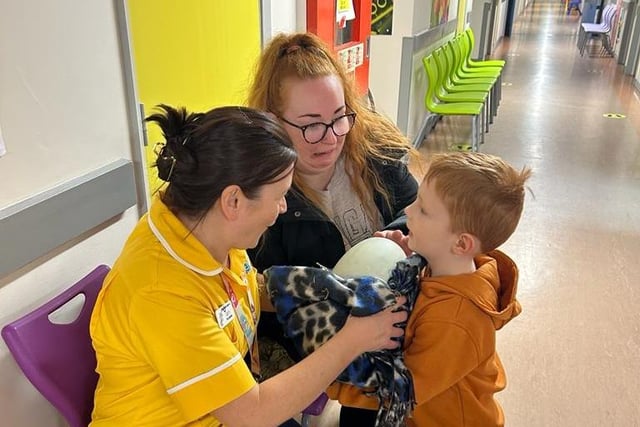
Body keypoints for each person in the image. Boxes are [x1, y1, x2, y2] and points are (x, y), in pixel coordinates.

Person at [89, 104, 408, 427]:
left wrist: (323, 290)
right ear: (234, 201)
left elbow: (245, 285)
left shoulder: (202, 227)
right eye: (279, 196)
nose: (283, 208)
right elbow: (253, 414)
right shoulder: (161, 291)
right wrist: (353, 340)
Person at [246, 32, 419, 367]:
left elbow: (420, 208)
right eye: (311, 125)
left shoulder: (376, 151)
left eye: (339, 117)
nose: (331, 137)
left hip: (401, 328)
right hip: (328, 351)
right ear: (272, 119)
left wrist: (398, 234)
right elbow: (273, 301)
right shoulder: (262, 194)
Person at [329, 152, 532, 426]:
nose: (408, 211)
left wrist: (326, 382)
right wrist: (407, 252)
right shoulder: (441, 266)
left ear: (461, 244)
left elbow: (404, 392)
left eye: (423, 209)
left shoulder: (454, 320)